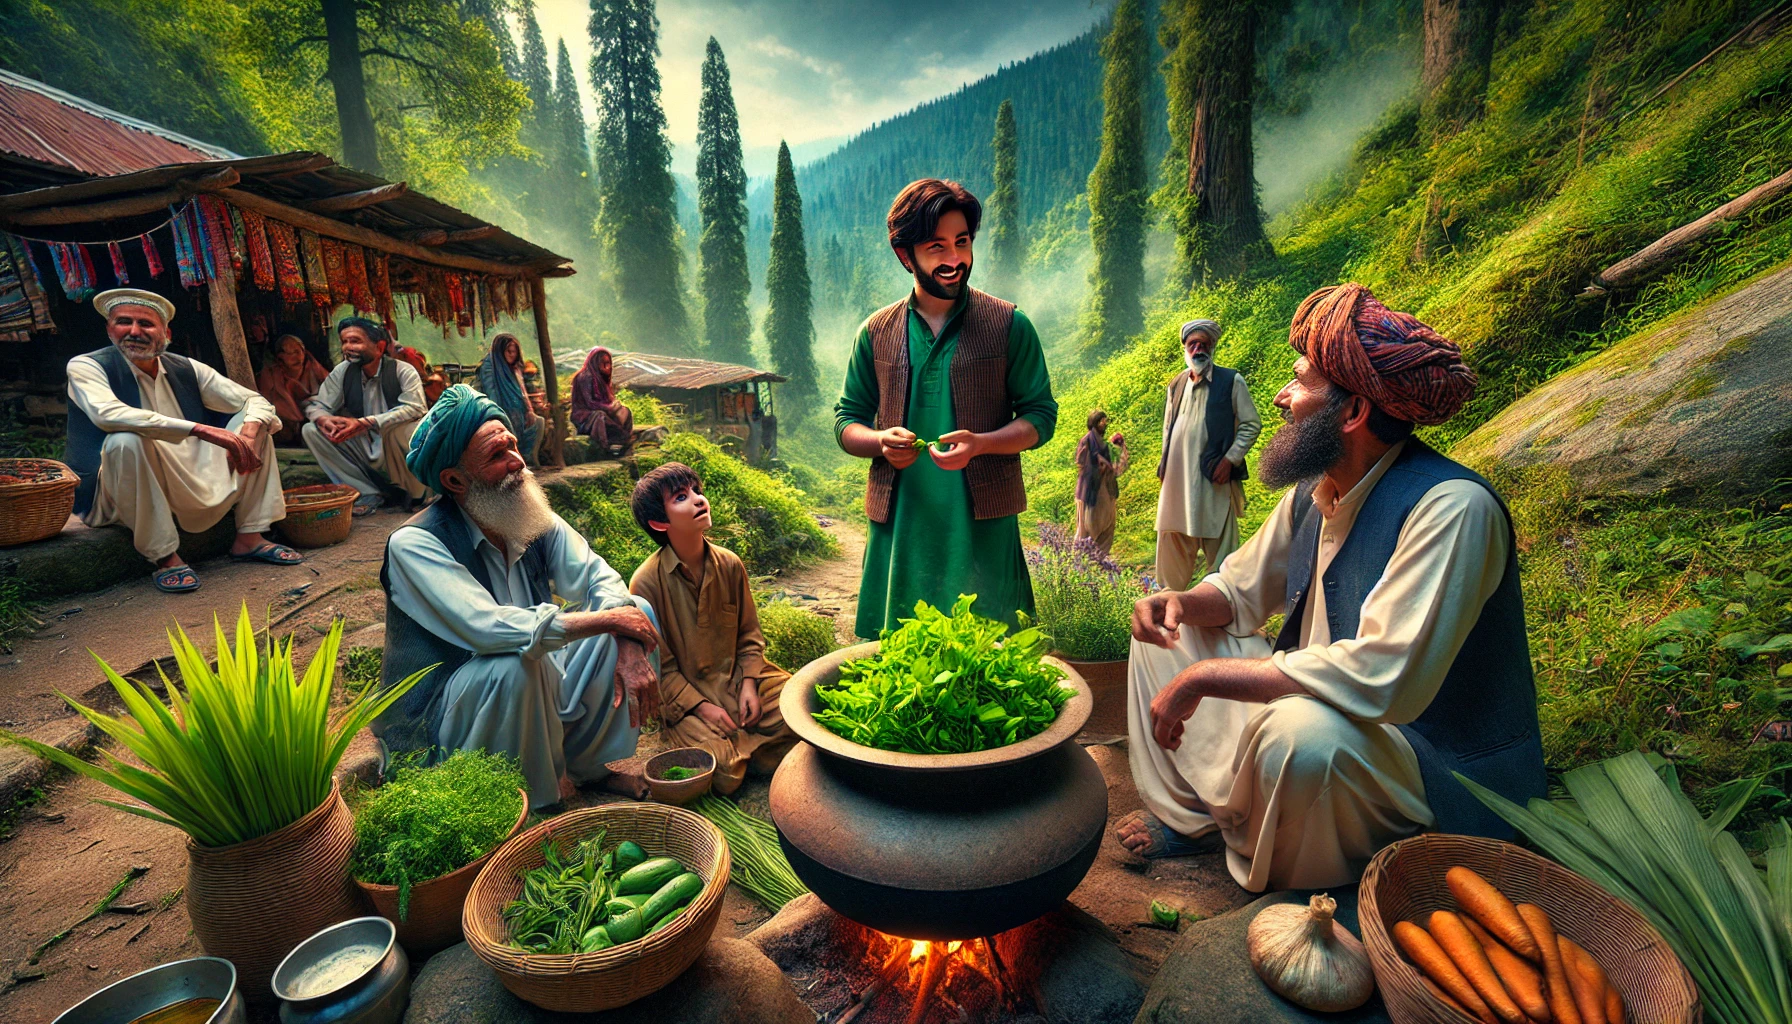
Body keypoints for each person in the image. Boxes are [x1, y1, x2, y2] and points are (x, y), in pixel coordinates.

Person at [1114, 283, 1544, 894]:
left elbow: (1379, 677)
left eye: (1300, 382)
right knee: (1163, 637)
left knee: (1301, 737)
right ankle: (1202, 822)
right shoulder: (1314, 493)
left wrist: (1202, 680)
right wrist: (1179, 602)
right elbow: (1238, 593)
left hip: (1420, 762)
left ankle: (1320, 889)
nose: (1285, 398)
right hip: (1320, 711)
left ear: (1352, 412)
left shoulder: (1452, 508)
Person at [374, 384, 663, 808]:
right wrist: (608, 621)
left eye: (513, 445)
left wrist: (625, 633)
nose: (517, 463)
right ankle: (537, 801)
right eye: (496, 456)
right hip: (443, 719)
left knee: (636, 610)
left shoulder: (527, 514)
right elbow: (487, 630)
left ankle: (579, 771)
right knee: (514, 662)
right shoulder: (415, 544)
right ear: (454, 480)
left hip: (531, 688)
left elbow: (597, 576)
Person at [834, 178, 1058, 637]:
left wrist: (981, 444)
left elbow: (1040, 417)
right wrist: (879, 442)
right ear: (905, 255)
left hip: (982, 528)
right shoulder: (876, 332)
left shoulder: (1008, 325)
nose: (955, 259)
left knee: (993, 657)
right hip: (902, 527)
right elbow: (846, 421)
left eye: (962, 242)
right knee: (902, 661)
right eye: (937, 247)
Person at [64, 289, 302, 593]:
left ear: (166, 333)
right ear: (110, 328)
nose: (134, 331)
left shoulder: (186, 367)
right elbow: (107, 414)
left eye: (146, 324)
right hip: (114, 488)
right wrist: (201, 430)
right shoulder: (86, 366)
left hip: (183, 472)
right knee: (125, 440)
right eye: (124, 322)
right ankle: (164, 556)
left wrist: (249, 430)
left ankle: (250, 537)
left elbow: (255, 401)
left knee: (255, 428)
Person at [627, 462, 797, 795]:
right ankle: (756, 754)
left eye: (697, 492)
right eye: (681, 497)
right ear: (659, 523)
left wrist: (749, 683)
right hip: (690, 701)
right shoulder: (644, 584)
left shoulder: (730, 564)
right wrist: (702, 707)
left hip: (738, 682)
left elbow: (750, 638)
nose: (698, 500)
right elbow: (661, 669)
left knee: (802, 705)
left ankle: (747, 748)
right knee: (723, 773)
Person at [1154, 318, 1262, 591]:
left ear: (1212, 347)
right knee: (1172, 539)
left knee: (1223, 554)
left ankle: (1223, 604)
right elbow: (1168, 428)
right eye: (1193, 344)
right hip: (1177, 481)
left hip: (1214, 477)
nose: (1198, 349)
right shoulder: (1176, 384)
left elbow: (1251, 424)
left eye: (1204, 344)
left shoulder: (1231, 380)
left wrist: (1230, 459)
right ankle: (1169, 603)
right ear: (1186, 349)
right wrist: (1163, 464)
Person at [302, 316, 429, 515]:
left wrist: (367, 422)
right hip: (364, 442)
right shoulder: (343, 371)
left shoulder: (403, 371)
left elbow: (415, 408)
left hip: (394, 445)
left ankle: (419, 494)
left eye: (355, 341)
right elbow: (317, 405)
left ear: (379, 347)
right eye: (344, 342)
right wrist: (323, 418)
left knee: (405, 430)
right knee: (311, 430)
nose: (347, 347)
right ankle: (366, 492)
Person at [475, 332, 542, 461]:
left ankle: (526, 458)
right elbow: (491, 391)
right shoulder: (489, 367)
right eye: (508, 351)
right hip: (500, 410)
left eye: (514, 351)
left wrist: (529, 410)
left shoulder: (513, 367)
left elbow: (521, 391)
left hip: (517, 409)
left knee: (533, 426)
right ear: (501, 351)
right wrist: (499, 415)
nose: (512, 354)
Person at [256, 332, 330, 445]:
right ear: (280, 356)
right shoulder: (271, 375)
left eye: (298, 351)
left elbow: (333, 388)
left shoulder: (314, 367)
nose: (296, 357)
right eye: (289, 353)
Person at [1074, 409, 1128, 556]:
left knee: (1108, 525)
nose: (1104, 423)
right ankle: (1084, 561)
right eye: (1101, 421)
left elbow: (1113, 461)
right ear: (1094, 423)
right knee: (1090, 526)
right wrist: (1098, 462)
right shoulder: (1086, 440)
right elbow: (1081, 462)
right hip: (1091, 489)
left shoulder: (1103, 442)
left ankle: (1100, 560)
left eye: (1105, 421)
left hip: (1106, 487)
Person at [570, 346, 634, 456]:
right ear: (596, 362)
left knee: (625, 411)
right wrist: (608, 408)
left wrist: (614, 406)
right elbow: (589, 403)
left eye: (608, 363)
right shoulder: (585, 376)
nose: (607, 367)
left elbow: (606, 399)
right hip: (584, 416)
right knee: (600, 416)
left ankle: (622, 441)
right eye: (603, 363)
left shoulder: (600, 377)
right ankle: (607, 446)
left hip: (601, 410)